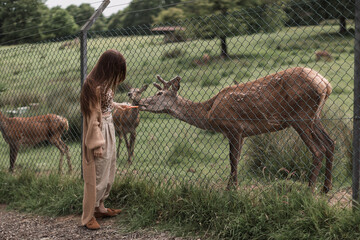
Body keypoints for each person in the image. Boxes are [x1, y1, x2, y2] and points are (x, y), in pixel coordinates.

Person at [80, 49, 132, 230]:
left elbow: (105, 104)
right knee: (98, 174)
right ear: (109, 68)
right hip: (99, 130)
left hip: (109, 126)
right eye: (116, 71)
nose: (117, 76)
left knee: (109, 169)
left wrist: (119, 105)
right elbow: (93, 117)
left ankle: (100, 207)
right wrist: (96, 144)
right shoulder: (92, 86)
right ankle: (88, 216)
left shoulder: (104, 83)